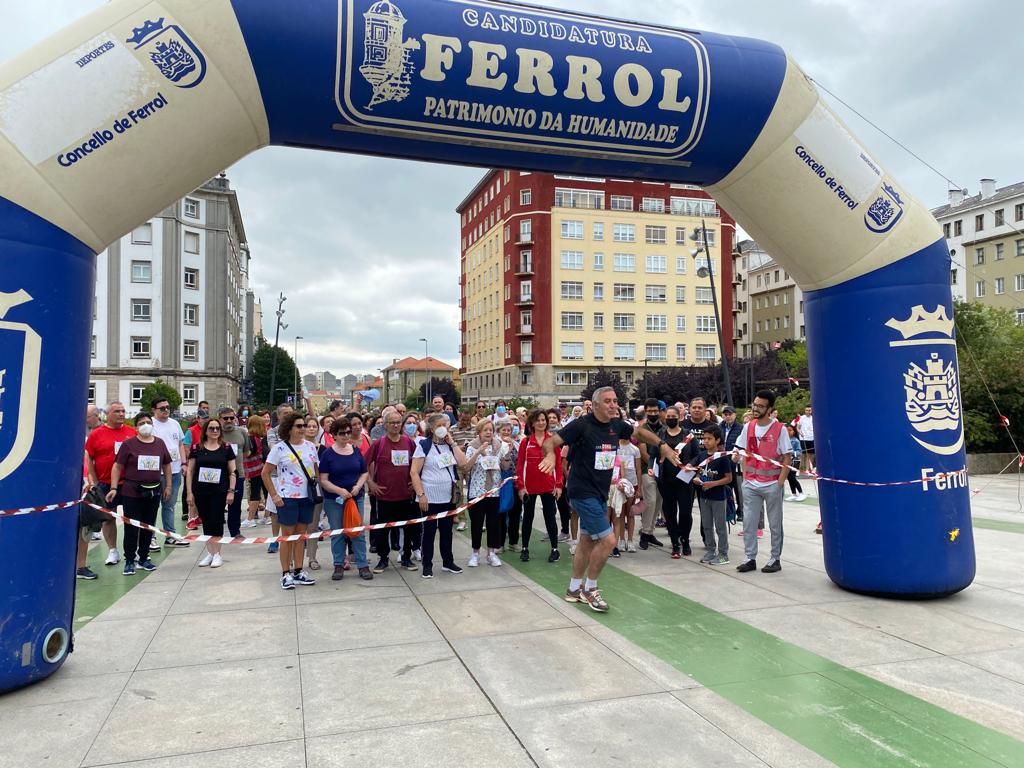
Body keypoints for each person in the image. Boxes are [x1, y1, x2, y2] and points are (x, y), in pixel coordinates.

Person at [539, 386, 680, 612]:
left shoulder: (616, 426)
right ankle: (590, 588)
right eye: (608, 401)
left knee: (587, 540)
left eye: (615, 401)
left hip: (600, 493)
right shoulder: (581, 425)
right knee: (608, 541)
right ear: (594, 405)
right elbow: (550, 442)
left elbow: (640, 433)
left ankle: (574, 589)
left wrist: (662, 445)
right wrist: (549, 454)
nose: (613, 405)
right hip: (581, 492)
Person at [107, 410, 171, 575]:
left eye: (148, 422)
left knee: (148, 526)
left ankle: (144, 557)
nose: (146, 426)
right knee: (132, 526)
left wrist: (168, 486)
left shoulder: (160, 443)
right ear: (136, 427)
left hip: (154, 491)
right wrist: (114, 488)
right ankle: (129, 560)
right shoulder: (128, 444)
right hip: (132, 492)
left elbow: (166, 465)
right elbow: (117, 466)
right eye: (142, 423)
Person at [734, 390, 791, 574]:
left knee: (775, 523)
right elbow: (741, 450)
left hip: (772, 483)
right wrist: (741, 467)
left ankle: (775, 558)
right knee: (749, 522)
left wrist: (780, 482)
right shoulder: (748, 426)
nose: (756, 408)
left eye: (760, 406)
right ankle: (750, 558)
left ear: (770, 408)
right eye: (755, 404)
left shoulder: (779, 429)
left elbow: (787, 457)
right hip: (751, 483)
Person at [262, 412, 319, 589]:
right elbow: (265, 473)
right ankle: (286, 573)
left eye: (304, 426)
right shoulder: (279, 449)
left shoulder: (310, 446)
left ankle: (299, 570)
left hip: (306, 497)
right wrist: (274, 496)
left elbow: (315, 470)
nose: (303, 429)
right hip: (287, 497)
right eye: (299, 426)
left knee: (301, 536)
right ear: (289, 428)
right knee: (287, 537)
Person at [410, 413, 467, 578]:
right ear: (432, 428)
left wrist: (453, 443)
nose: (443, 428)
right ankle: (427, 565)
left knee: (447, 531)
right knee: (428, 533)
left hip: (448, 496)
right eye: (440, 425)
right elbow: (414, 472)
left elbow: (463, 463)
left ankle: (448, 562)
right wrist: (421, 495)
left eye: (446, 425)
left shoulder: (449, 446)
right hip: (429, 497)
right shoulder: (424, 445)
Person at [319, 416, 373, 580]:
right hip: (334, 500)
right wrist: (339, 490)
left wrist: (358, 486)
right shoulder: (328, 454)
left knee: (357, 531)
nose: (347, 436)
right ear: (334, 435)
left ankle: (362, 565)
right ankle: (338, 564)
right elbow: (323, 480)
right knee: (337, 532)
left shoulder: (355, 451)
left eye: (349, 432)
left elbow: (364, 472)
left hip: (355, 497)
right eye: (342, 433)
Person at [85, 400, 136, 566]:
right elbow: (89, 459)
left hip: (128, 482)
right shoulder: (96, 434)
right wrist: (94, 481)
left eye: (123, 411)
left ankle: (133, 551)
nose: (121, 414)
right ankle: (113, 551)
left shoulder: (131, 432)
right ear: (107, 414)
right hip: (105, 484)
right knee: (108, 518)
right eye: (117, 411)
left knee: (132, 518)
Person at [367, 409, 419, 573]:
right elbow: (363, 465)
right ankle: (383, 559)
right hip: (385, 496)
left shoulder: (409, 442)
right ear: (386, 425)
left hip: (406, 495)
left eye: (398, 422)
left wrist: (415, 483)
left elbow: (419, 464)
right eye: (392, 422)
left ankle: (406, 558)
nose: (395, 425)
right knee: (383, 530)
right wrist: (371, 483)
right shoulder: (379, 444)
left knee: (408, 529)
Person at [186, 417, 236, 568]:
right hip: (201, 491)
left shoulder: (226, 448)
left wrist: (231, 491)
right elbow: (190, 470)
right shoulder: (196, 449)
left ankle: (217, 553)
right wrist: (189, 492)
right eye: (211, 428)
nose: (214, 431)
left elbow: (233, 471)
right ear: (205, 431)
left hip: (219, 491)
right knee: (206, 521)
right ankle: (210, 552)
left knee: (216, 520)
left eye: (217, 428)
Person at [516, 409, 563, 563]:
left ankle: (555, 549)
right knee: (528, 517)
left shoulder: (553, 440)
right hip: (529, 487)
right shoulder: (526, 442)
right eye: (538, 420)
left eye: (544, 420)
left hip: (548, 486)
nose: (541, 423)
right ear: (532, 423)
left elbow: (558, 465)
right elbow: (520, 465)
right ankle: (525, 549)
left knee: (550, 517)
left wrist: (559, 485)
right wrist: (521, 486)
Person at [464, 419, 511, 567]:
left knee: (493, 523)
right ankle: (475, 553)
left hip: (494, 491)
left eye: (491, 429)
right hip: (477, 491)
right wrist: (478, 451)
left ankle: (491, 553)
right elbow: (466, 467)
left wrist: (508, 454)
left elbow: (505, 467)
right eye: (485, 430)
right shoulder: (472, 446)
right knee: (477, 523)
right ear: (479, 432)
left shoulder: (499, 445)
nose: (489, 432)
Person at [150, 397, 189, 550]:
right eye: (162, 408)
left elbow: (180, 444)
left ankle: (170, 535)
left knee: (170, 505)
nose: (166, 410)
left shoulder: (175, 423)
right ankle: (151, 537)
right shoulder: (150, 424)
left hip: (175, 470)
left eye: (167, 407)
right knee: (153, 506)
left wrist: (183, 463)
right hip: (156, 472)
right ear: (154, 410)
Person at [692, 425, 732, 566]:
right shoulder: (702, 456)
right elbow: (699, 472)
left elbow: (729, 478)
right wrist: (697, 478)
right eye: (705, 438)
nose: (706, 441)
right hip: (704, 496)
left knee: (720, 527)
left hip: (718, 497)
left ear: (717, 440)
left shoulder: (722, 457)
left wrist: (713, 484)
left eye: (709, 439)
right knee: (707, 525)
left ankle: (723, 554)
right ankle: (711, 550)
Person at [654, 406, 688, 558]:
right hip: (666, 480)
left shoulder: (688, 435)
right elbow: (653, 455)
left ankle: (685, 540)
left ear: (679, 416)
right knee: (670, 512)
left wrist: (690, 466)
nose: (671, 418)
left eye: (674, 416)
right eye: (668, 416)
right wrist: (651, 468)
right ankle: (675, 544)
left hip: (684, 479)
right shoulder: (660, 434)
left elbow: (696, 454)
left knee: (686, 513)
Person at [76, 405, 103, 579]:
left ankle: (81, 566)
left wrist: (90, 483)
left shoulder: (84, 439)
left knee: (84, 531)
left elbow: (87, 465)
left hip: (83, 493)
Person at [637, 398, 666, 550]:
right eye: (650, 411)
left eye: (656, 411)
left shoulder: (664, 427)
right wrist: (654, 467)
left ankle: (650, 531)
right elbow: (643, 452)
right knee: (650, 501)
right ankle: (645, 532)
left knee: (659, 502)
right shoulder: (642, 428)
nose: (653, 414)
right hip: (646, 470)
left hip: (663, 471)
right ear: (646, 412)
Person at [218, 407, 250, 537]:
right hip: (219, 475)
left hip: (238, 474)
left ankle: (235, 532)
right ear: (220, 419)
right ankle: (216, 532)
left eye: (232, 417)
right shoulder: (215, 432)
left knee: (236, 504)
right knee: (218, 505)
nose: (229, 420)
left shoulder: (242, 432)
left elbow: (246, 452)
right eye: (226, 418)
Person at [611, 423, 641, 554]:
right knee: (620, 513)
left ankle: (630, 541)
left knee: (631, 513)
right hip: (617, 485)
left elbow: (638, 468)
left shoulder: (635, 449)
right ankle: (621, 539)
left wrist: (639, 487)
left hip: (631, 484)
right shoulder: (614, 447)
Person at [304, 418, 326, 570]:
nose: (311, 429)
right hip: (296, 490)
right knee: (296, 528)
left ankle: (312, 557)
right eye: (308, 426)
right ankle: (294, 558)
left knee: (312, 526)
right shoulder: (297, 446)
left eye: (314, 426)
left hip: (315, 491)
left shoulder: (323, 449)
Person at [241, 414, 270, 527]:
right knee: (266, 492)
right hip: (262, 468)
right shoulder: (260, 438)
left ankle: (250, 519)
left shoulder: (251, 438)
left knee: (254, 494)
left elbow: (248, 453)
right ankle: (267, 517)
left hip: (254, 470)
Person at [720, 406, 745, 522]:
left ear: (735, 415)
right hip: (722, 462)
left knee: (738, 488)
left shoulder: (741, 428)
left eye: (730, 414)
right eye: (725, 414)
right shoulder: (719, 427)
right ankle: (729, 510)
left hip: (735, 463)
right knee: (725, 488)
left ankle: (741, 511)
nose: (727, 416)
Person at [785, 425, 807, 501]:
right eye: (787, 430)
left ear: (794, 431)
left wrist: (792, 453)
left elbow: (799, 451)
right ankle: (794, 494)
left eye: (790, 430)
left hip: (795, 461)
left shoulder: (796, 441)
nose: (788, 432)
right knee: (789, 477)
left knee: (792, 477)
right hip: (787, 461)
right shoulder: (785, 440)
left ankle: (801, 493)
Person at [796, 405, 815, 475]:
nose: (808, 412)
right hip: (804, 438)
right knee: (803, 454)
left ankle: (808, 469)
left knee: (810, 455)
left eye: (809, 410)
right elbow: (797, 428)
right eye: (807, 410)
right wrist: (800, 433)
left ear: (812, 411)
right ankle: (800, 470)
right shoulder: (801, 418)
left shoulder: (813, 418)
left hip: (811, 438)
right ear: (805, 411)